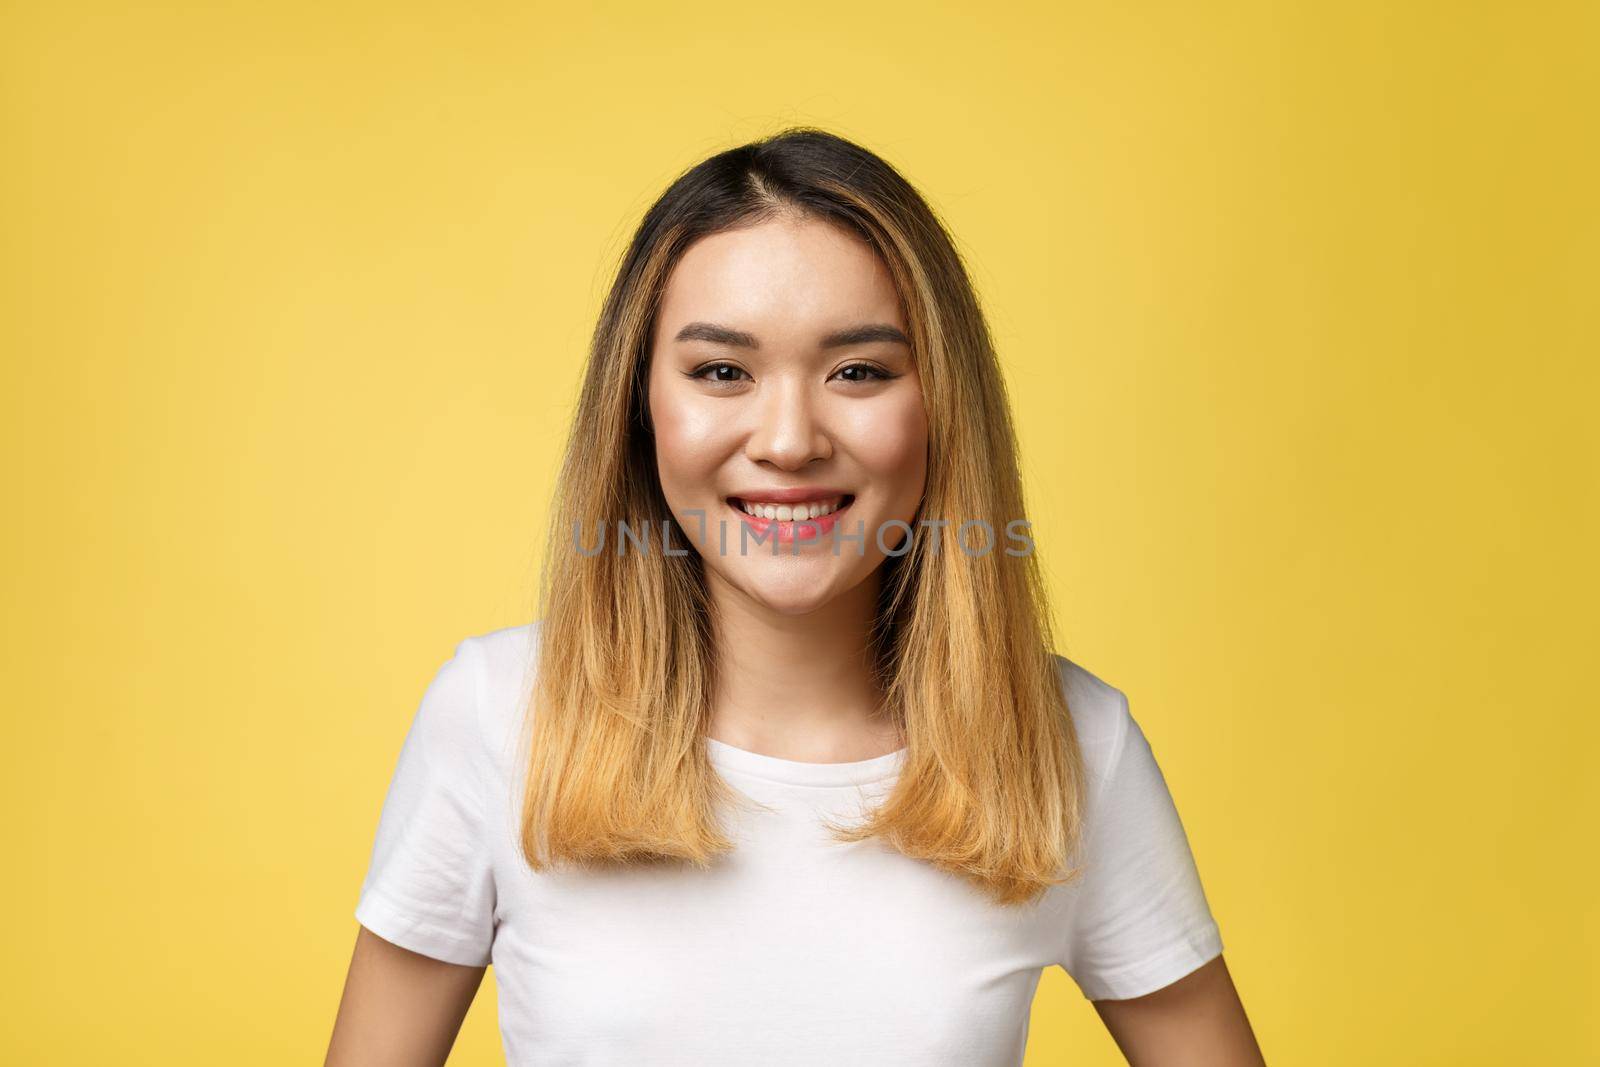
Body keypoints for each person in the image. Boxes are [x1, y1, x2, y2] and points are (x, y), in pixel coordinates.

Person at [325, 127, 1266, 1066]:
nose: (788, 440)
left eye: (858, 371)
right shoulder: (495, 715)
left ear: (942, 404)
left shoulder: (1069, 743)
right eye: (721, 372)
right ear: (638, 406)